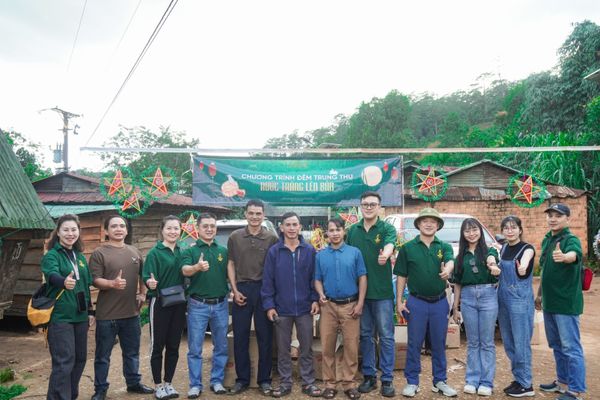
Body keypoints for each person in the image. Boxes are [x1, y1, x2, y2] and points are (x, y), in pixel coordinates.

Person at [394, 207, 457, 398]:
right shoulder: (407, 248)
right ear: (419, 225)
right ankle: (412, 382)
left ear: (438, 226)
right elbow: (401, 276)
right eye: (425, 221)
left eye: (433, 221)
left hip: (439, 302)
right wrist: (399, 302)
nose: (429, 224)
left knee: (439, 343)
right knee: (414, 343)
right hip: (416, 302)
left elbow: (450, 261)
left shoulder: (443, 246)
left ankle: (440, 381)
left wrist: (447, 269)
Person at [90, 215, 153, 400]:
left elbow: (142, 275)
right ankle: (100, 389)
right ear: (106, 231)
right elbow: (95, 280)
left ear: (126, 230)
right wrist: (112, 283)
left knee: (132, 353)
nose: (118, 229)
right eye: (114, 226)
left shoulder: (135, 251)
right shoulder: (99, 253)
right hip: (106, 315)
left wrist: (143, 293)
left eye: (122, 226)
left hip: (131, 314)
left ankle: (133, 383)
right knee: (103, 356)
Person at [261, 212, 322, 398]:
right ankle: (285, 383)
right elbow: (268, 281)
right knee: (283, 348)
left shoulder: (309, 250)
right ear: (281, 227)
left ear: (300, 227)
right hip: (282, 309)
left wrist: (314, 299)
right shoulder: (274, 252)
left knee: (306, 347)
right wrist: (269, 305)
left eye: (295, 224)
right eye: (288, 224)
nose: (292, 228)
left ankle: (308, 382)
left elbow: (314, 278)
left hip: (305, 308)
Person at [346, 191, 397, 397]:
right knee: (366, 336)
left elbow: (390, 244)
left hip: (382, 293)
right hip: (360, 295)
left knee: (386, 336)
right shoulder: (352, 230)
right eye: (365, 204)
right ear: (360, 207)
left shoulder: (386, 228)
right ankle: (369, 376)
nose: (368, 207)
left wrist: (386, 254)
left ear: (379, 207)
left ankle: (387, 379)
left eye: (372, 204)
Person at [227, 199, 278, 395]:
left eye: (258, 213)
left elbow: (275, 268)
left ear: (263, 215)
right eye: (251, 213)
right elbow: (231, 264)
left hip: (264, 291)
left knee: (265, 336)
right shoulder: (235, 237)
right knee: (240, 336)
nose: (255, 217)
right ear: (245, 214)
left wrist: (271, 294)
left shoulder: (271, 238)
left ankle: (264, 380)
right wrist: (234, 290)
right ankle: (242, 380)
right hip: (242, 290)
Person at [41, 214, 94, 400]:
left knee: (80, 358)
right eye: (66, 230)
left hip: (80, 316)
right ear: (58, 232)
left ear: (79, 231)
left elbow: (85, 287)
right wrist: (63, 281)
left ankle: (70, 396)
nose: (70, 234)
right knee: (64, 361)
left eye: (74, 229)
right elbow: (51, 274)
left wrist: (90, 311)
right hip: (60, 317)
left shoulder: (80, 257)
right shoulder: (52, 255)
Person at [536, 204, 586, 400]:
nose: (553, 219)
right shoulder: (548, 239)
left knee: (571, 348)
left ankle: (576, 390)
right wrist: (539, 295)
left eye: (558, 215)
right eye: (550, 215)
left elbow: (574, 255)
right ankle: (563, 382)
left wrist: (565, 257)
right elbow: (545, 270)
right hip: (550, 303)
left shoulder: (570, 240)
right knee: (557, 345)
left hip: (566, 304)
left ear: (568, 218)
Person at [314, 218, 367, 400]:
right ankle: (329, 384)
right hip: (328, 306)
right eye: (331, 230)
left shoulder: (355, 253)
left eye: (338, 230)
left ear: (344, 232)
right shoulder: (320, 256)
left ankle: (349, 384)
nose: (335, 233)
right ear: (326, 233)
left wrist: (360, 303)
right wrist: (320, 293)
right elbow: (317, 279)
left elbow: (362, 278)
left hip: (350, 306)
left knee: (351, 347)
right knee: (327, 347)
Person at [182, 212, 229, 398]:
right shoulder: (191, 251)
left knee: (221, 346)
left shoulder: (223, 250)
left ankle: (217, 381)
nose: (209, 229)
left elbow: (229, 273)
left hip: (220, 304)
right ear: (198, 228)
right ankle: (195, 385)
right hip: (197, 305)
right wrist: (197, 267)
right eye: (205, 226)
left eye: (212, 226)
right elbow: (185, 270)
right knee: (195, 348)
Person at [451, 218, 500, 396]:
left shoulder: (490, 250)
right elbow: (457, 283)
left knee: (486, 342)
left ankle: (486, 382)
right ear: (463, 234)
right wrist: (455, 308)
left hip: (488, 296)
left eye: (474, 229)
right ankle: (471, 380)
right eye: (467, 231)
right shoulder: (460, 257)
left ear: (480, 231)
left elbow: (492, 260)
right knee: (473, 342)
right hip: (468, 297)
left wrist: (492, 265)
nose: (471, 234)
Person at [142, 215, 186, 399]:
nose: (172, 232)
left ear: (180, 231)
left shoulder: (182, 251)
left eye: (176, 228)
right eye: (169, 228)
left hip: (179, 303)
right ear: (162, 230)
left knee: (174, 345)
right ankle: (158, 385)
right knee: (157, 345)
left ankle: (169, 383)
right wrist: (149, 282)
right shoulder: (155, 252)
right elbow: (147, 276)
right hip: (160, 302)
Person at [496, 215, 536, 398]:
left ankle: (526, 384)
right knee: (509, 341)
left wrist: (523, 267)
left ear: (520, 230)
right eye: (506, 228)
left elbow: (526, 259)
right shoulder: (504, 248)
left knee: (521, 342)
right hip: (503, 299)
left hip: (520, 301)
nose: (509, 231)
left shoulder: (527, 249)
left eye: (513, 227)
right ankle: (519, 379)